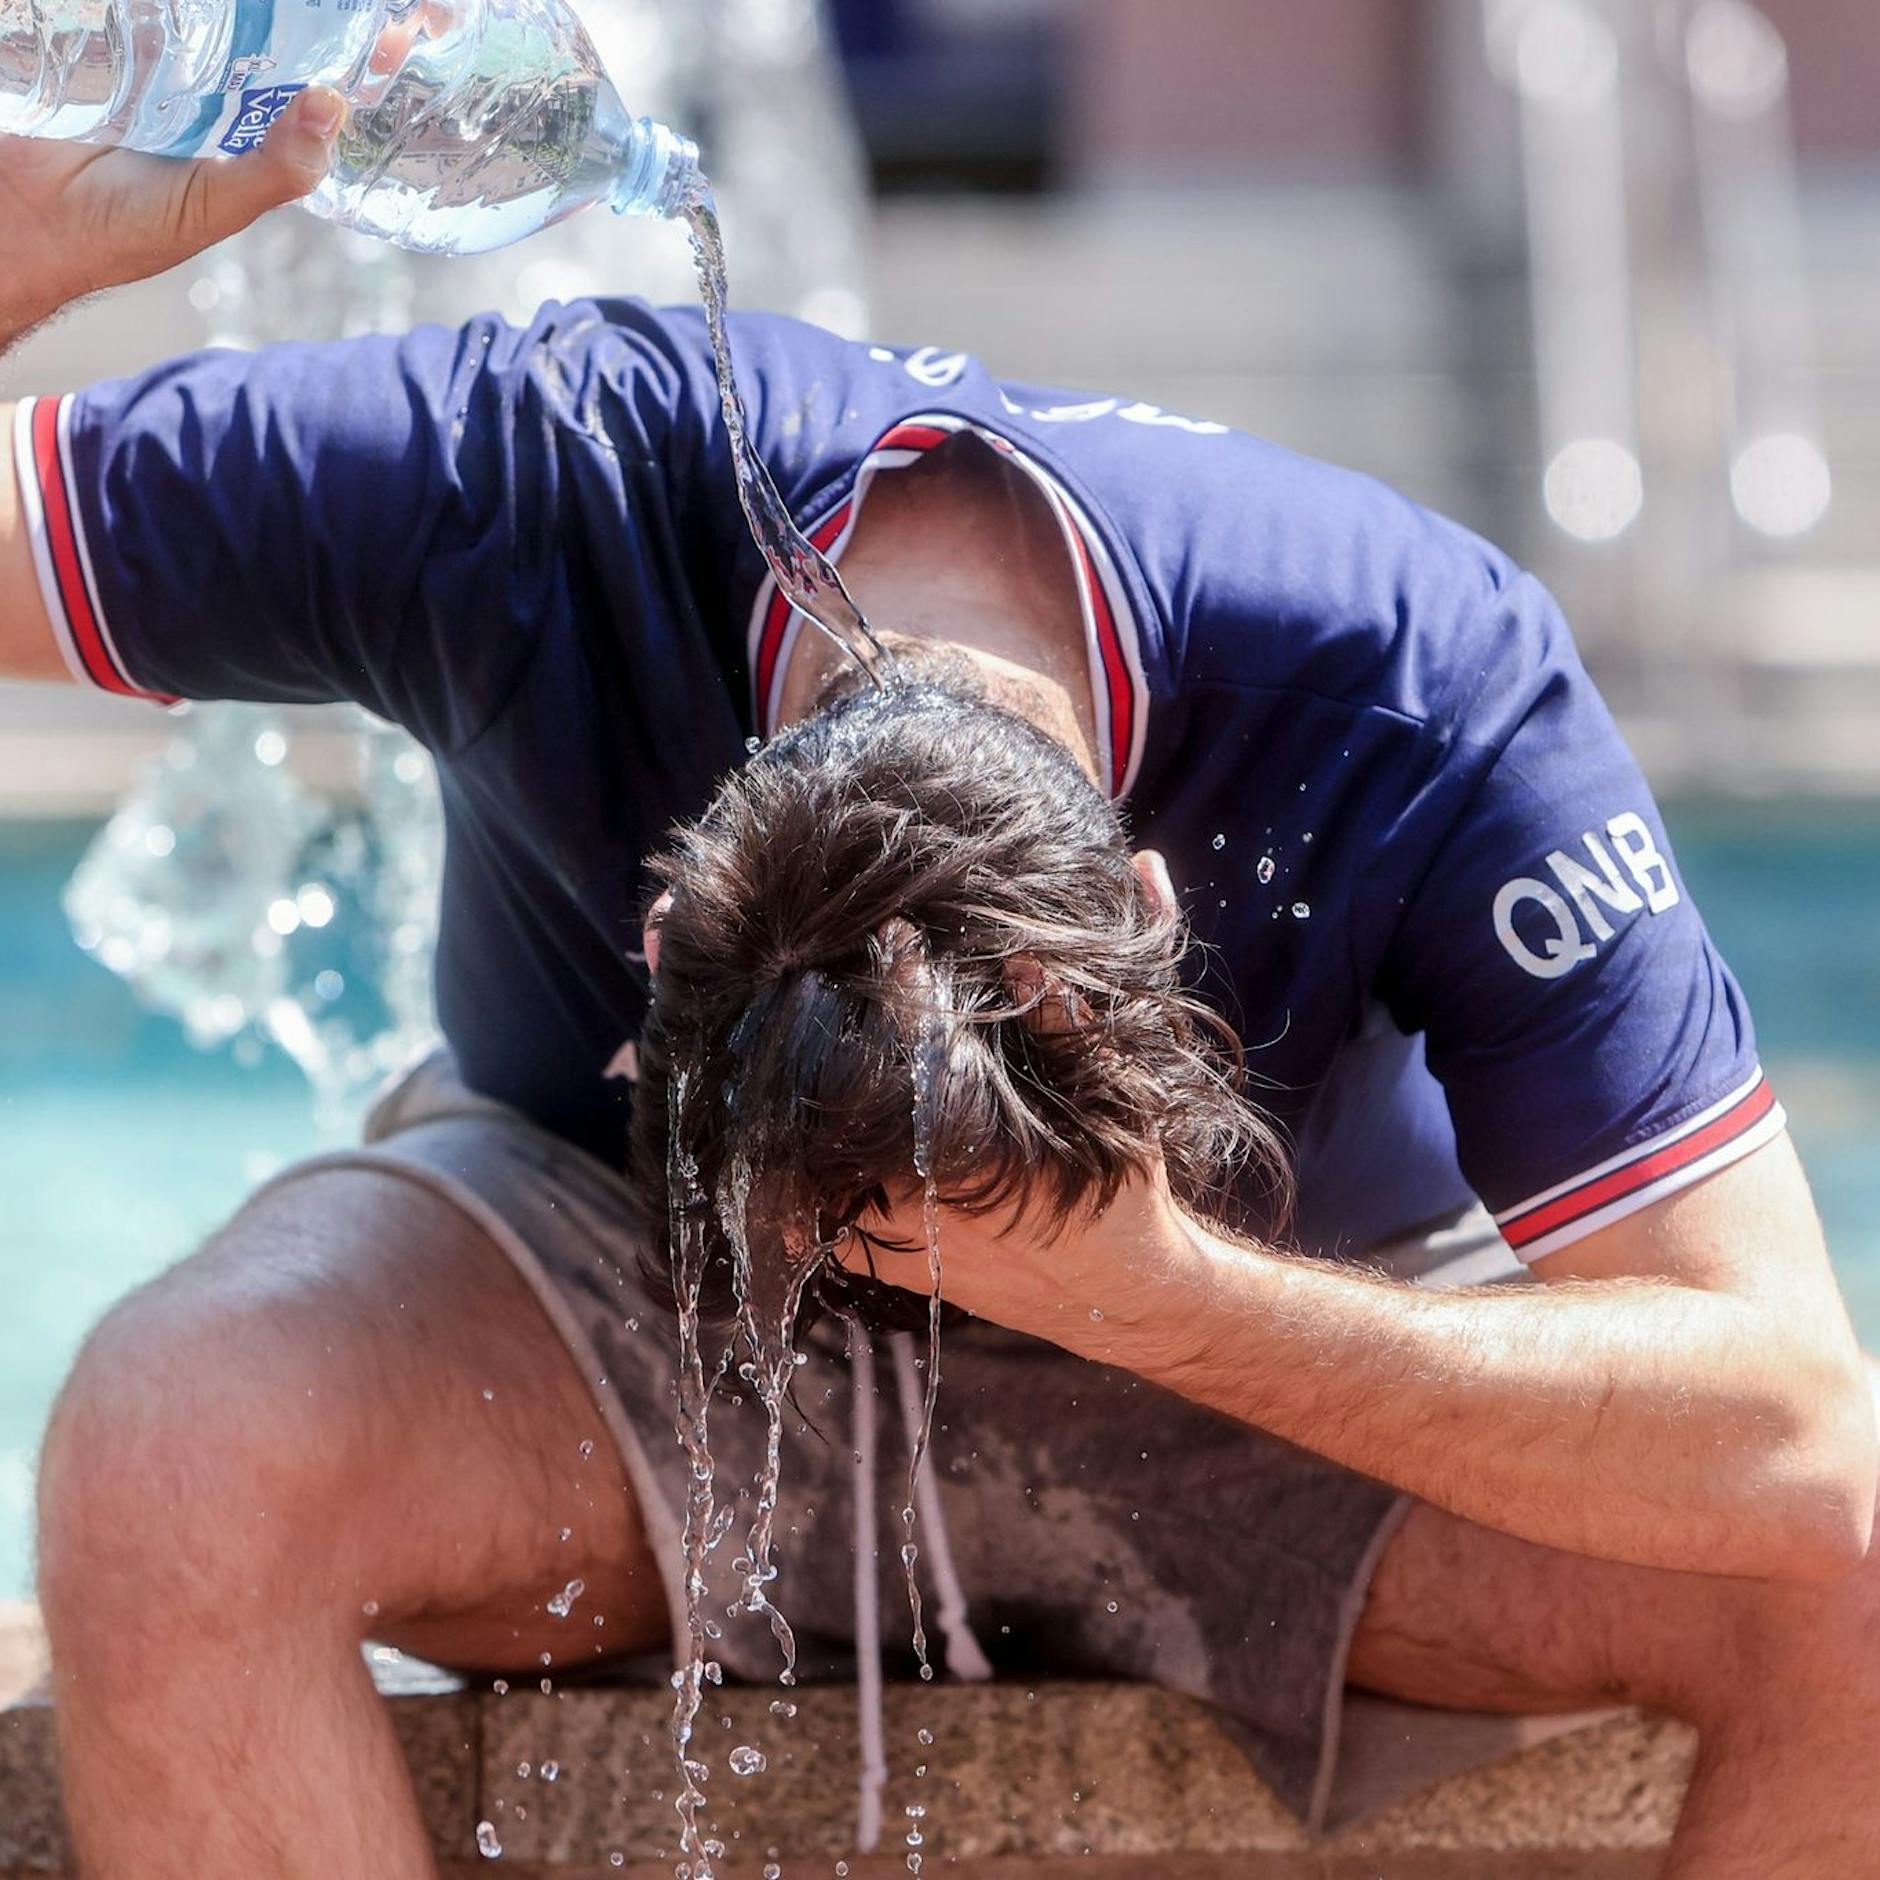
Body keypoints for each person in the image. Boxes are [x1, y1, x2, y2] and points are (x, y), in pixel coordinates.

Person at [1, 123, 1875, 1880]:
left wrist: (1183, 1303)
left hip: (1268, 1357)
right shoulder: (513, 472)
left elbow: (1801, 1432)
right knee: (177, 1446)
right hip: (628, 1297)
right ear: (674, 932)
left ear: (1148, 918)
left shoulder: (1421, 681)